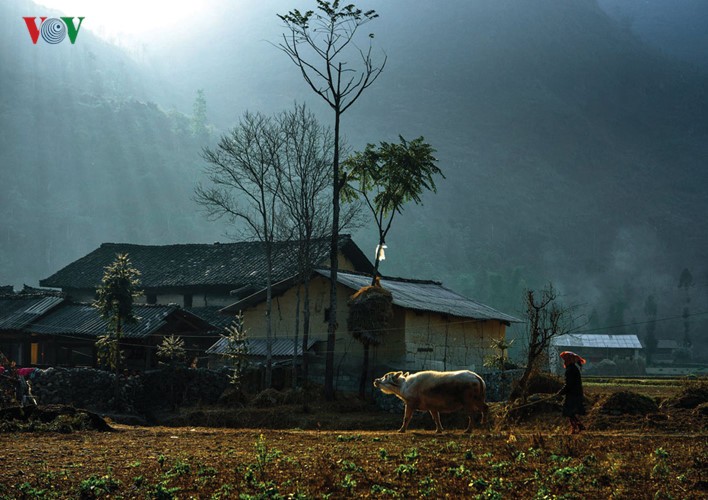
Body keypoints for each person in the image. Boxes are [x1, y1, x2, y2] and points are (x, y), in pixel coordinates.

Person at [557, 351, 586, 434]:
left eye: (564, 360)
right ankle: (578, 427)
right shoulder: (573, 368)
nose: (563, 361)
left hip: (573, 394)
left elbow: (569, 384)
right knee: (570, 412)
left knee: (569, 412)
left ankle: (576, 428)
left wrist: (561, 392)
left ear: (567, 360)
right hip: (575, 393)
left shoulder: (570, 370)